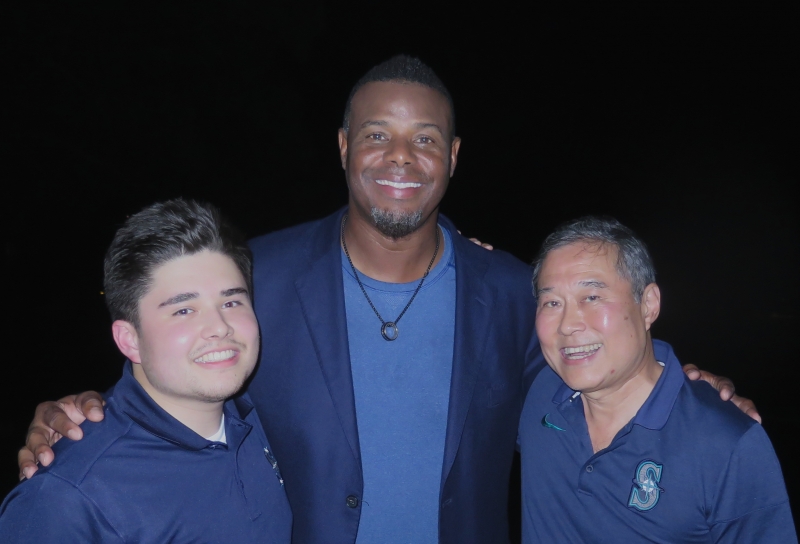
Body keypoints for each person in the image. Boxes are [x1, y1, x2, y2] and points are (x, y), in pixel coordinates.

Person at [16, 56, 754, 544]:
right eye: (377, 134)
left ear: (453, 157)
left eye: (425, 139)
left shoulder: (509, 292)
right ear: (343, 147)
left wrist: (679, 383)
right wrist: (87, 412)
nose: (400, 157)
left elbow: (593, 373)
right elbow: (186, 381)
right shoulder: (258, 281)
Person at [0, 199, 292, 543]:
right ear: (130, 339)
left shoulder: (268, 417)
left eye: (231, 302)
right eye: (184, 310)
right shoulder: (68, 499)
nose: (219, 326)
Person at [519, 216, 794, 543]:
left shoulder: (727, 442)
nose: (567, 324)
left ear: (648, 305)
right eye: (551, 302)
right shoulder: (537, 393)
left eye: (591, 297)